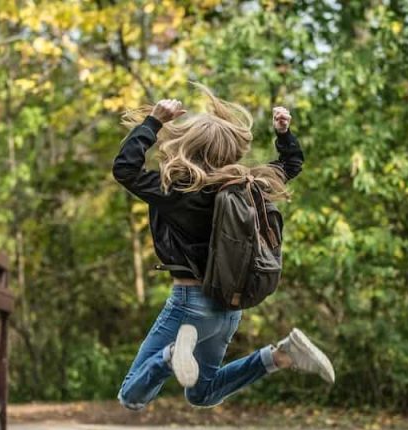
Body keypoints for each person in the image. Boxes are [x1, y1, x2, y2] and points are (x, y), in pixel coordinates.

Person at [113, 84, 335, 411]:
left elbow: (125, 169)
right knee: (203, 393)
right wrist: (284, 134)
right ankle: (280, 355)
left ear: (188, 145)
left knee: (131, 395)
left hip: (189, 304)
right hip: (228, 308)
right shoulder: (249, 185)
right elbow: (291, 165)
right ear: (229, 150)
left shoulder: (175, 190)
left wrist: (153, 121)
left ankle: (172, 355)